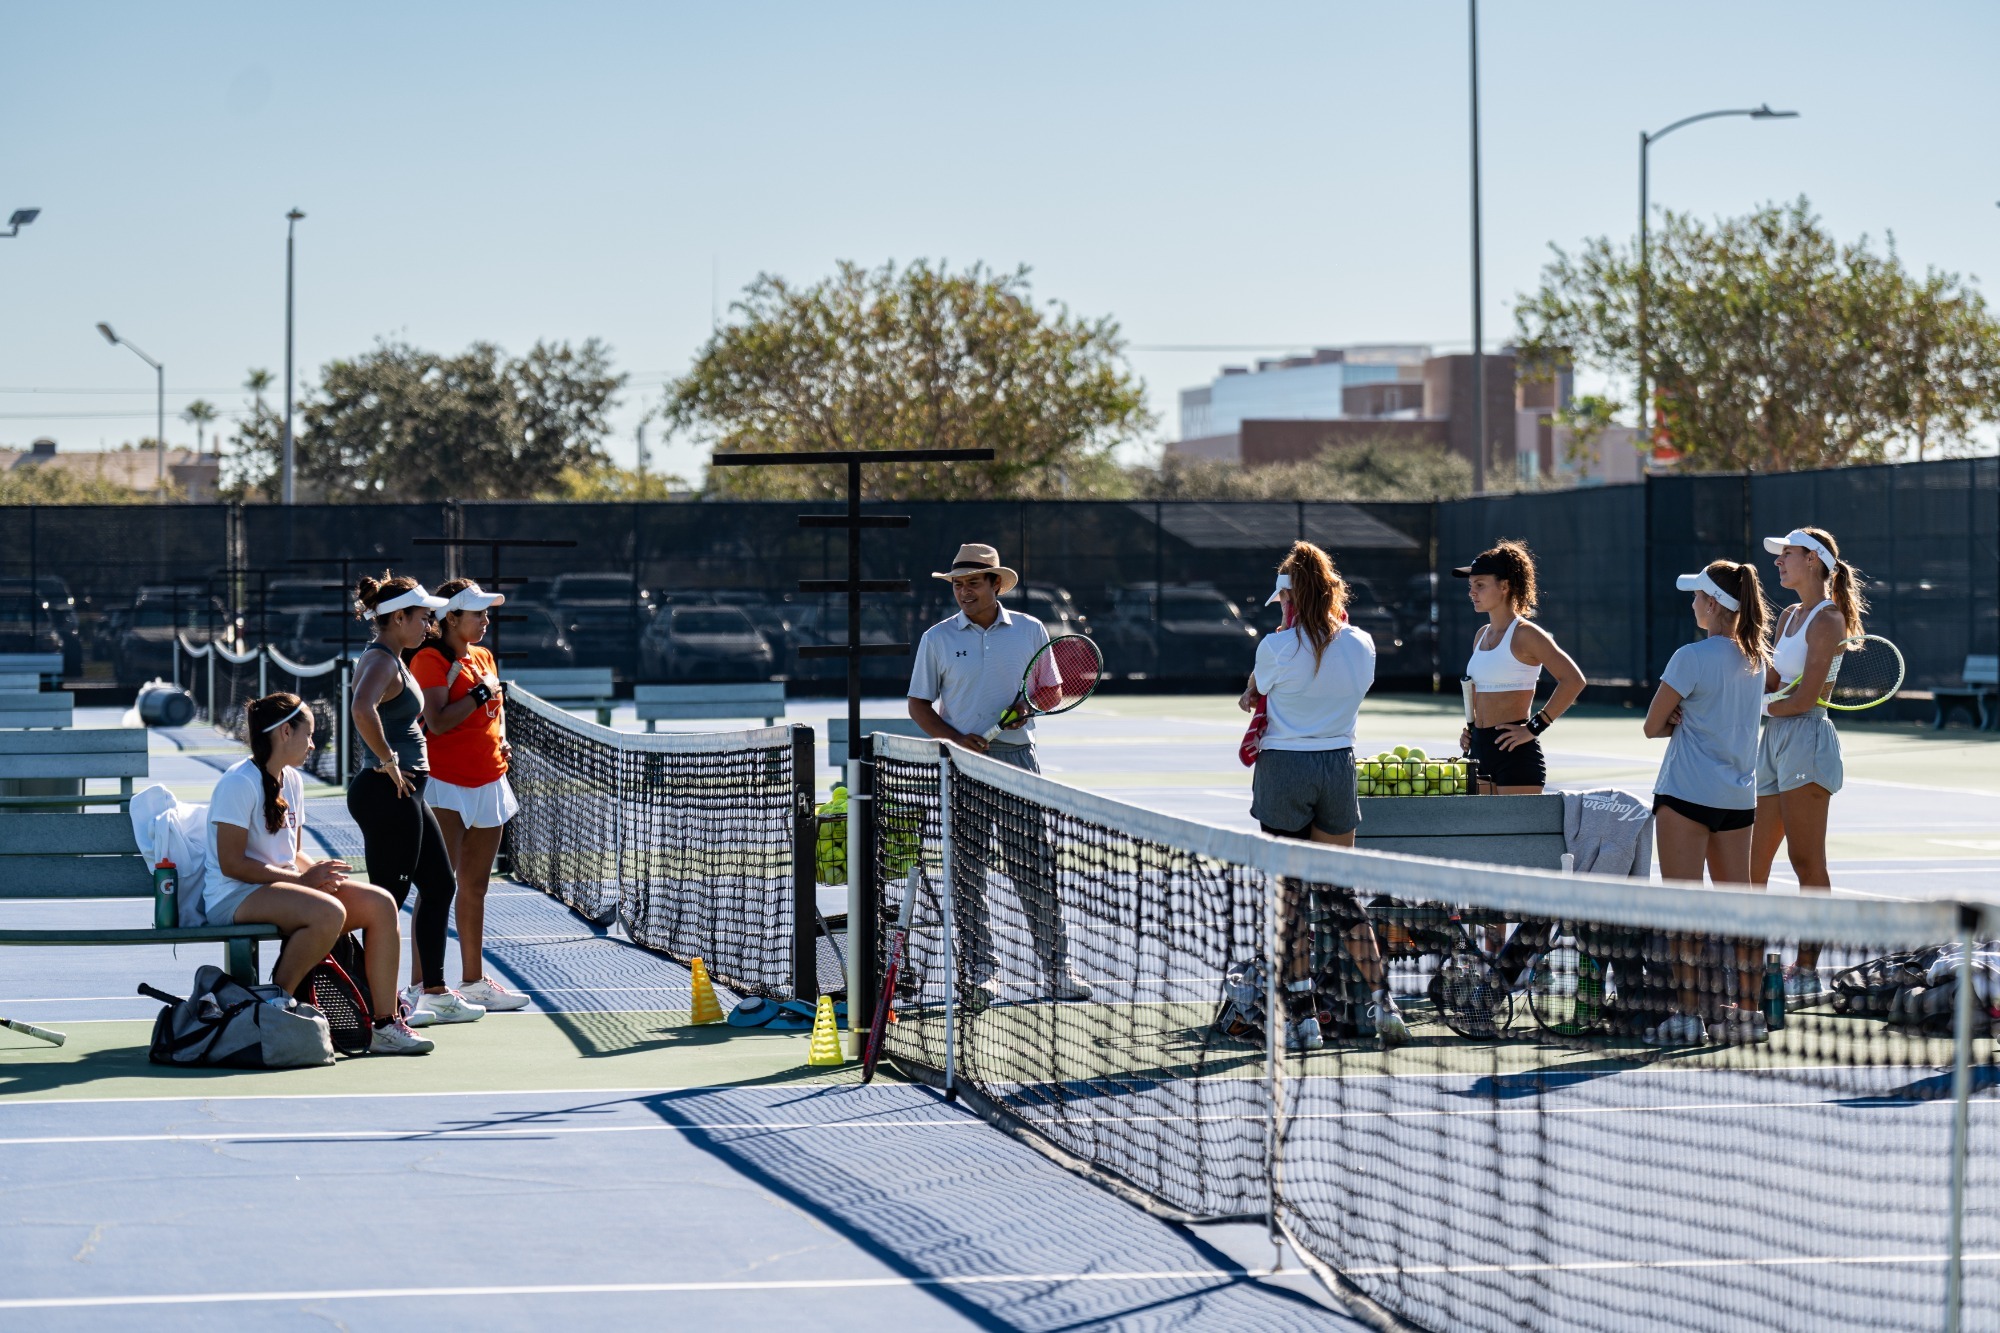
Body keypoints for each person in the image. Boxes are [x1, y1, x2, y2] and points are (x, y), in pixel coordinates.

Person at [1237, 541, 1407, 1049]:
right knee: (1338, 895)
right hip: (1338, 767)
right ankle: (1384, 1003)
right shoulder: (1362, 643)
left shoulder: (1274, 648)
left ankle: (1305, 1021)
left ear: (1288, 599)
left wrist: (1255, 689)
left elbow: (1258, 690)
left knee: (1289, 903)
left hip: (1284, 769)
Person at [907, 542, 1091, 1003]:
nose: (964, 591)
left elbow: (1050, 692)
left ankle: (1056, 969)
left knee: (1034, 868)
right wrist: (954, 738)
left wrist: (1027, 708)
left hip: (1018, 763)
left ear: (995, 584)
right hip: (961, 765)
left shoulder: (1029, 629)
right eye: (957, 584)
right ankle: (981, 972)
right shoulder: (938, 638)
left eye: (973, 582)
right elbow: (918, 705)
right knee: (967, 872)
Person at [211, 692, 431, 1055]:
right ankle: (274, 1009)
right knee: (328, 912)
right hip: (234, 894)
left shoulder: (293, 781)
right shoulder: (237, 783)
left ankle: (384, 1025)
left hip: (281, 887)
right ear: (284, 733)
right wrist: (301, 882)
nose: (313, 745)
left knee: (381, 904)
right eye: (308, 735)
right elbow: (231, 864)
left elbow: (292, 853)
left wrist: (319, 875)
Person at [1641, 561, 1771, 1044]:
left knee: (1684, 913)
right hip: (1738, 800)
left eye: (1697, 595)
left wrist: (1677, 717)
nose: (1693, 602)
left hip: (1686, 796)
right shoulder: (1757, 659)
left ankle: (1688, 1017)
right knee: (1742, 911)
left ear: (1713, 603)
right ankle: (1749, 1015)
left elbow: (1652, 726)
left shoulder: (1689, 657)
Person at [347, 573, 484, 1027]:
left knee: (441, 884)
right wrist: (386, 760)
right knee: (388, 901)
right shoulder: (382, 660)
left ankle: (436, 992)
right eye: (423, 617)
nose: (429, 624)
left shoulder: (393, 657)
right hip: (389, 791)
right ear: (398, 617)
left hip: (406, 790)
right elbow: (361, 709)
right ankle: (373, 1006)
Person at [1752, 526, 1865, 998]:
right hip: (1774, 739)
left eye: (1788, 554)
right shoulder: (1789, 617)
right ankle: (1744, 960)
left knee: (1805, 859)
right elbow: (1776, 678)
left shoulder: (1828, 619)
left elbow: (1805, 696)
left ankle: (1806, 968)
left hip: (1807, 739)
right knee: (1753, 863)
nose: (1778, 561)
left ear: (1814, 561)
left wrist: (1757, 707)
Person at [410, 579, 528, 1012]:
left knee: (475, 885)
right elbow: (438, 722)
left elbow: (495, 710)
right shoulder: (428, 659)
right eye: (476, 613)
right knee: (436, 886)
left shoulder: (484, 656)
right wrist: (480, 695)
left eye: (485, 612)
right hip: (446, 784)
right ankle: (421, 986)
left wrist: (501, 738)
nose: (484, 620)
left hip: (490, 781)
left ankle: (473, 981)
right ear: (450, 619)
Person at [1455, 540, 1587, 794]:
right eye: (1471, 586)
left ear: (1504, 586)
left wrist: (1534, 728)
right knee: (1479, 833)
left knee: (1514, 834)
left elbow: (1574, 680)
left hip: (1515, 755)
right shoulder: (1481, 635)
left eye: (1480, 585)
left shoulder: (1527, 634)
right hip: (1479, 750)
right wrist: (1471, 730)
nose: (1472, 592)